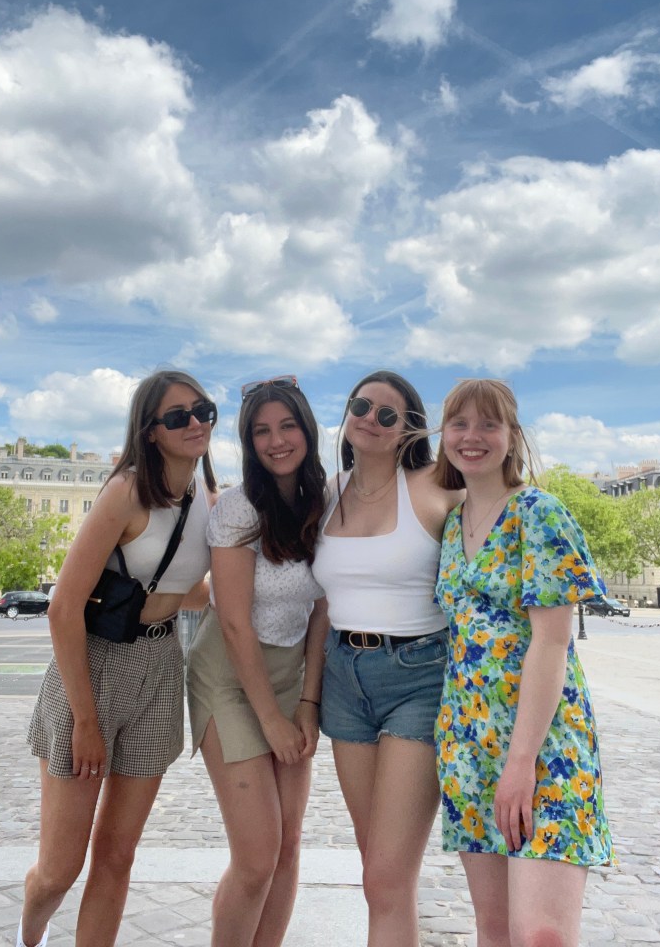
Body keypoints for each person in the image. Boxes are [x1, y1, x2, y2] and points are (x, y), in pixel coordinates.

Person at [17, 370, 218, 947]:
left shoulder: (205, 500)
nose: (195, 422)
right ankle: (30, 933)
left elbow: (189, 590)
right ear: (150, 431)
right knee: (60, 869)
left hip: (160, 671)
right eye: (177, 416)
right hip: (94, 669)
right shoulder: (127, 491)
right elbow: (63, 607)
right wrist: (85, 721)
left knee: (117, 857)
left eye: (202, 409)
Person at [433, 378, 615, 947]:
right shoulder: (449, 523)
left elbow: (552, 644)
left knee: (541, 935)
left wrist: (521, 764)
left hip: (544, 748)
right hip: (468, 744)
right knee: (493, 931)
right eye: (459, 424)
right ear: (443, 436)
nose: (472, 436)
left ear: (513, 437)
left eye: (489, 424)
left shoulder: (538, 513)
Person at [311, 370, 462, 947]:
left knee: (386, 874)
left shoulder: (433, 487)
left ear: (408, 431)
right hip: (344, 680)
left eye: (388, 414)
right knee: (376, 861)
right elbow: (320, 603)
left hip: (418, 676)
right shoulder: (327, 493)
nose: (370, 419)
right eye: (361, 406)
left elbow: (505, 506)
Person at [186, 375, 329, 947]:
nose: (276, 441)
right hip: (228, 675)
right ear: (248, 442)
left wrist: (308, 704)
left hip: (291, 673)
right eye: (261, 431)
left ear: (307, 429)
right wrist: (271, 717)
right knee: (256, 855)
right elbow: (235, 621)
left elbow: (322, 612)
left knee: (289, 844)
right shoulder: (239, 510)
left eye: (287, 425)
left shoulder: (327, 503)